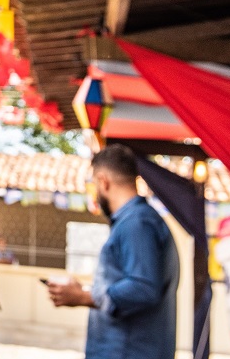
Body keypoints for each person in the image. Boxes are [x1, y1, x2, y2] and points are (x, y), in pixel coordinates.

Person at [46, 144, 179, 359]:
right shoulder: (136, 220)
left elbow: (143, 287)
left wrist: (84, 296)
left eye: (93, 185)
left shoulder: (137, 223)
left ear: (103, 181)